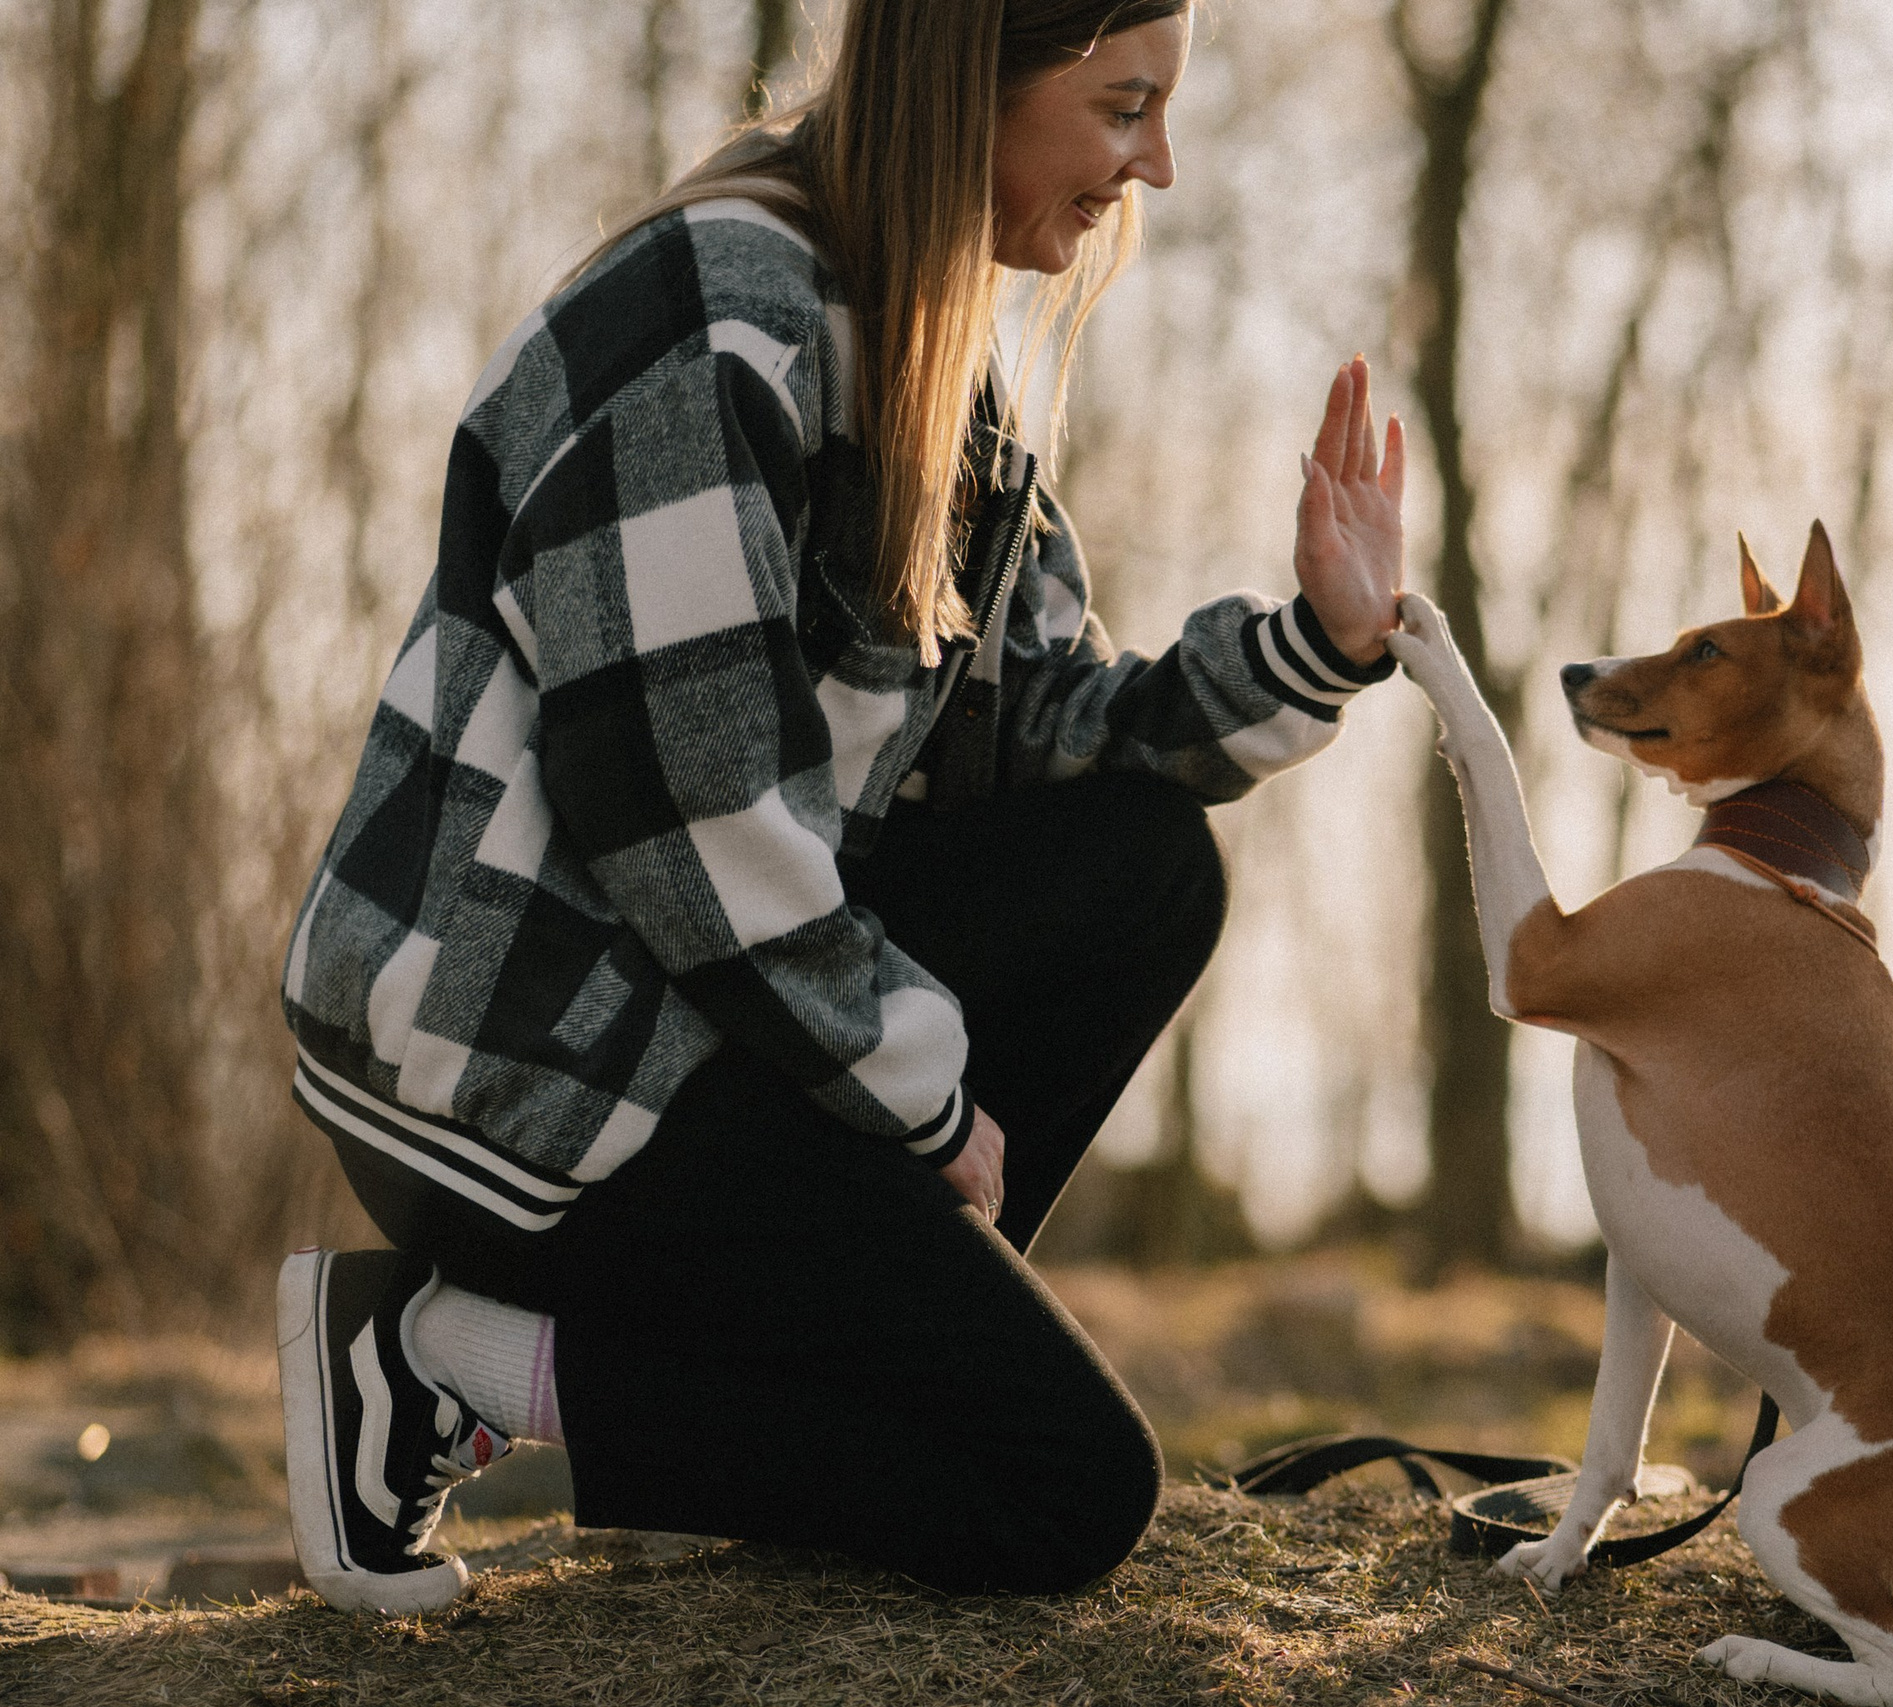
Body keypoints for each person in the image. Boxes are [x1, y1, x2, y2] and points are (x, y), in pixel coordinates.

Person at [274, 0, 1406, 1614]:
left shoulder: (929, 359)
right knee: (1067, 1488)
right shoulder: (712, 313)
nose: (1157, 163)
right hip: (507, 1064)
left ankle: (843, 1400)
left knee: (1146, 868)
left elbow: (1051, 727)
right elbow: (686, 807)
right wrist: (921, 1100)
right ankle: (441, 1367)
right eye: (1124, 106)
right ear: (972, 81)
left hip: (679, 1009)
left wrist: (1317, 648)